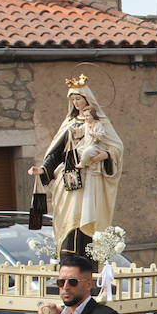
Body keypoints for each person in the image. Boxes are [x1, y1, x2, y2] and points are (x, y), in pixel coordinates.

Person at [28, 79, 124, 257]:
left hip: (90, 178)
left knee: (87, 216)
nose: (76, 103)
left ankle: (88, 257)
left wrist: (105, 155)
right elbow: (56, 151)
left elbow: (116, 147)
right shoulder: (69, 123)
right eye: (73, 100)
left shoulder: (101, 122)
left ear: (88, 99)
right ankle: (67, 256)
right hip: (69, 177)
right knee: (68, 217)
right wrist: (43, 169)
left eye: (79, 98)